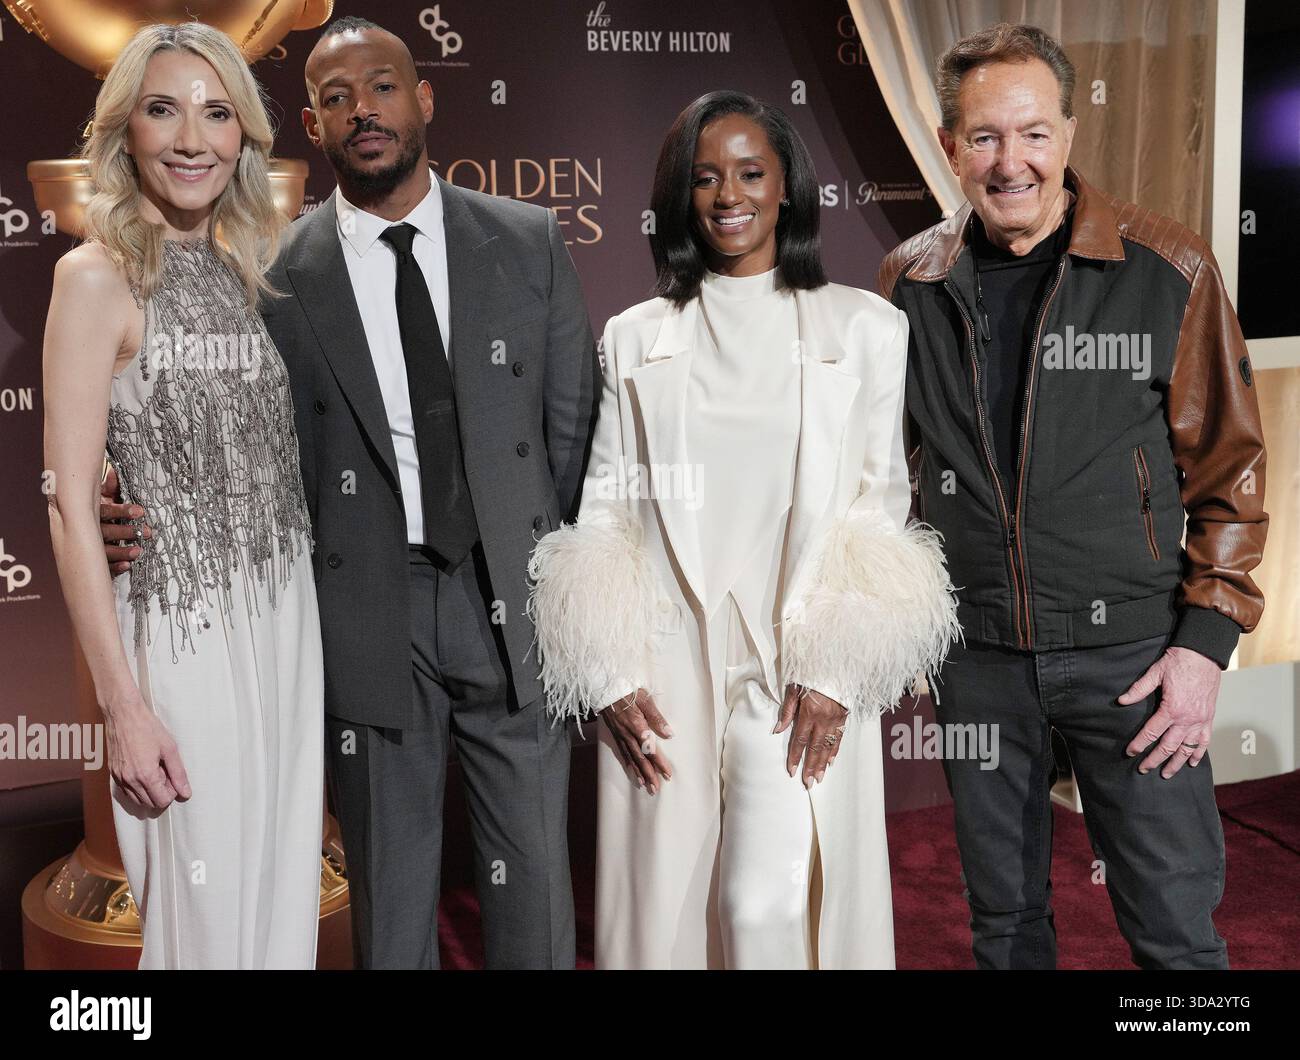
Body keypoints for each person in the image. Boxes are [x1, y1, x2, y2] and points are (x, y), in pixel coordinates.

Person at [102, 16, 597, 969]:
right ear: (313, 127)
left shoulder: (528, 239)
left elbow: (571, 432)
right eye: (334, 97)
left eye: (380, 86)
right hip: (368, 610)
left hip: (516, 601)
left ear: (425, 99)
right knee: (390, 893)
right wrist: (113, 494)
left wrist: (541, 564)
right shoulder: (278, 274)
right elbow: (234, 435)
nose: (360, 109)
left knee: (533, 888)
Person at [527, 90, 960, 969]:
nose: (730, 195)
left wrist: (838, 667)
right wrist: (606, 670)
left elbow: (881, 509)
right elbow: (606, 506)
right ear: (681, 198)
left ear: (788, 187)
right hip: (666, 656)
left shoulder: (867, 329)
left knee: (764, 907)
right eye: (706, 178)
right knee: (672, 918)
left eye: (751, 173)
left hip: (794, 660)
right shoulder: (633, 337)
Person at [878, 23, 1269, 969]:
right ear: (949, 148)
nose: (1011, 162)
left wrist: (1205, 647)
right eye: (983, 137)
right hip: (978, 660)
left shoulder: (1166, 268)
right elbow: (887, 478)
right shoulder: (909, 284)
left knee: (1175, 935)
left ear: (1069, 135)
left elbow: (1233, 470)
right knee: (1003, 927)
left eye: (1033, 133)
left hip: (1136, 661)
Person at [45, 23, 323, 969]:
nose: (192, 139)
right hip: (181, 633)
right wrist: (122, 705)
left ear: (245, 134)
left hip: (290, 626)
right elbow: (69, 506)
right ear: (126, 130)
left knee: (280, 905)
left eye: (216, 113)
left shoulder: (268, 271)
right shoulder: (93, 278)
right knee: (203, 925)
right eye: (163, 110)